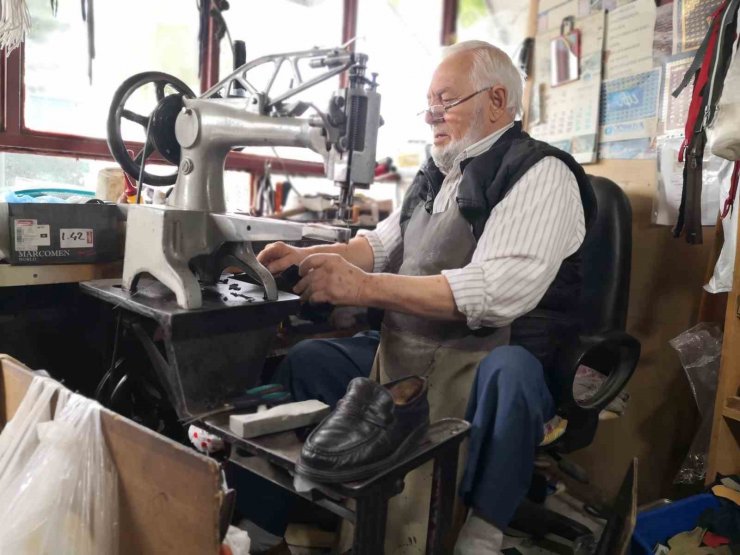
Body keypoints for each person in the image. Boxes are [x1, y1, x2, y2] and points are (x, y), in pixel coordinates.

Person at [247, 40, 595, 554]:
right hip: (419, 352)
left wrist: (361, 286)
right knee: (310, 360)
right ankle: (272, 528)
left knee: (512, 375)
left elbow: (495, 292)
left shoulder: (541, 175)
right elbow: (381, 247)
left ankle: (483, 529)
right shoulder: (437, 175)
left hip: (491, 360)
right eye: (429, 101)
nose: (432, 113)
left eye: (447, 100)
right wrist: (306, 256)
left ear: (497, 100)